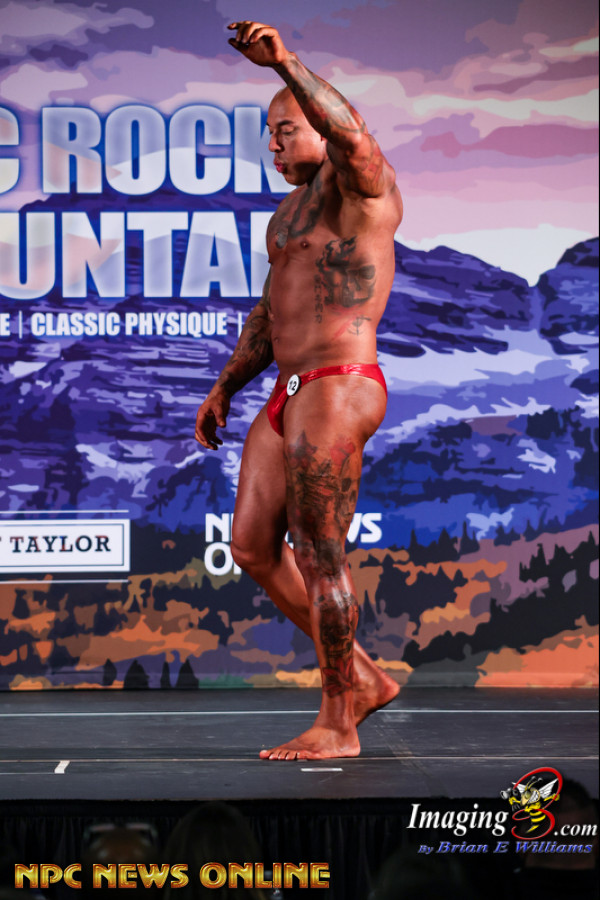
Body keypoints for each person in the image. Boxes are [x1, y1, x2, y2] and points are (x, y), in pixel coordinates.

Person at [195, 20, 403, 760]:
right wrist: (227, 384)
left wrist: (283, 62)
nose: (274, 145)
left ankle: (339, 723)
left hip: (339, 385)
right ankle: (365, 679)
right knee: (252, 546)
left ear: (319, 125)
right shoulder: (288, 216)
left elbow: (351, 134)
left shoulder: (362, 186)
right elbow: (270, 311)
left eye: (286, 130)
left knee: (320, 555)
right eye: (269, 135)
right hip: (288, 388)